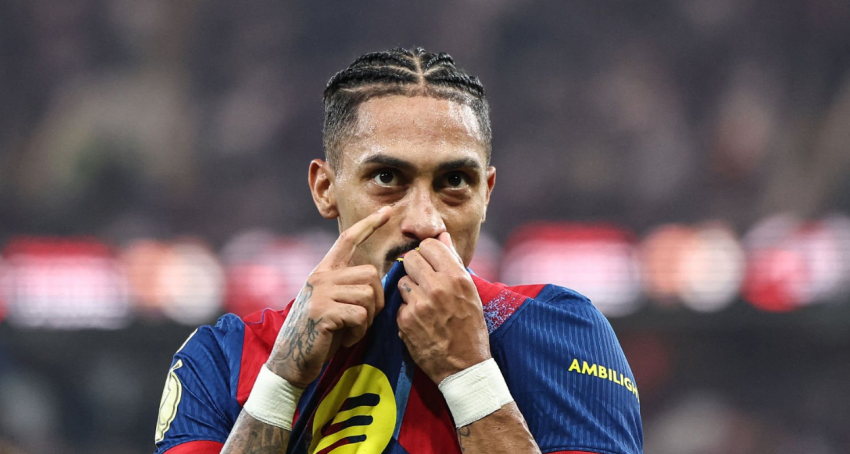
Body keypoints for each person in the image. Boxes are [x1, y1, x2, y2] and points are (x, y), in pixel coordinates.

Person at [153, 47, 643, 454]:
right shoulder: (222, 358)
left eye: (455, 181)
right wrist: (282, 380)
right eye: (387, 178)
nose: (425, 222)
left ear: (486, 194)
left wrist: (470, 376)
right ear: (325, 188)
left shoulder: (563, 333)